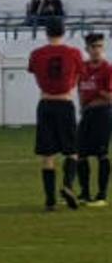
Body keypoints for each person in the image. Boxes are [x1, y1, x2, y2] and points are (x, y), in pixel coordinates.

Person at [27, 18, 84, 211]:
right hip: (65, 102)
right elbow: (78, 76)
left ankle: (50, 200)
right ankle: (67, 186)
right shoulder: (74, 53)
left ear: (46, 32)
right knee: (72, 150)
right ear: (64, 32)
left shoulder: (36, 54)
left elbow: (35, 74)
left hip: (45, 103)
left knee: (47, 154)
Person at [77, 34, 112, 207]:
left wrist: (96, 91)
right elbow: (80, 89)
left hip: (102, 114)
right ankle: (84, 193)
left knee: (102, 154)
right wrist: (83, 104)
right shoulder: (82, 68)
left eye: (99, 46)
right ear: (87, 49)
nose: (97, 50)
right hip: (87, 114)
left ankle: (102, 195)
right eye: (93, 47)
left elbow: (110, 97)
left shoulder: (108, 69)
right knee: (81, 154)